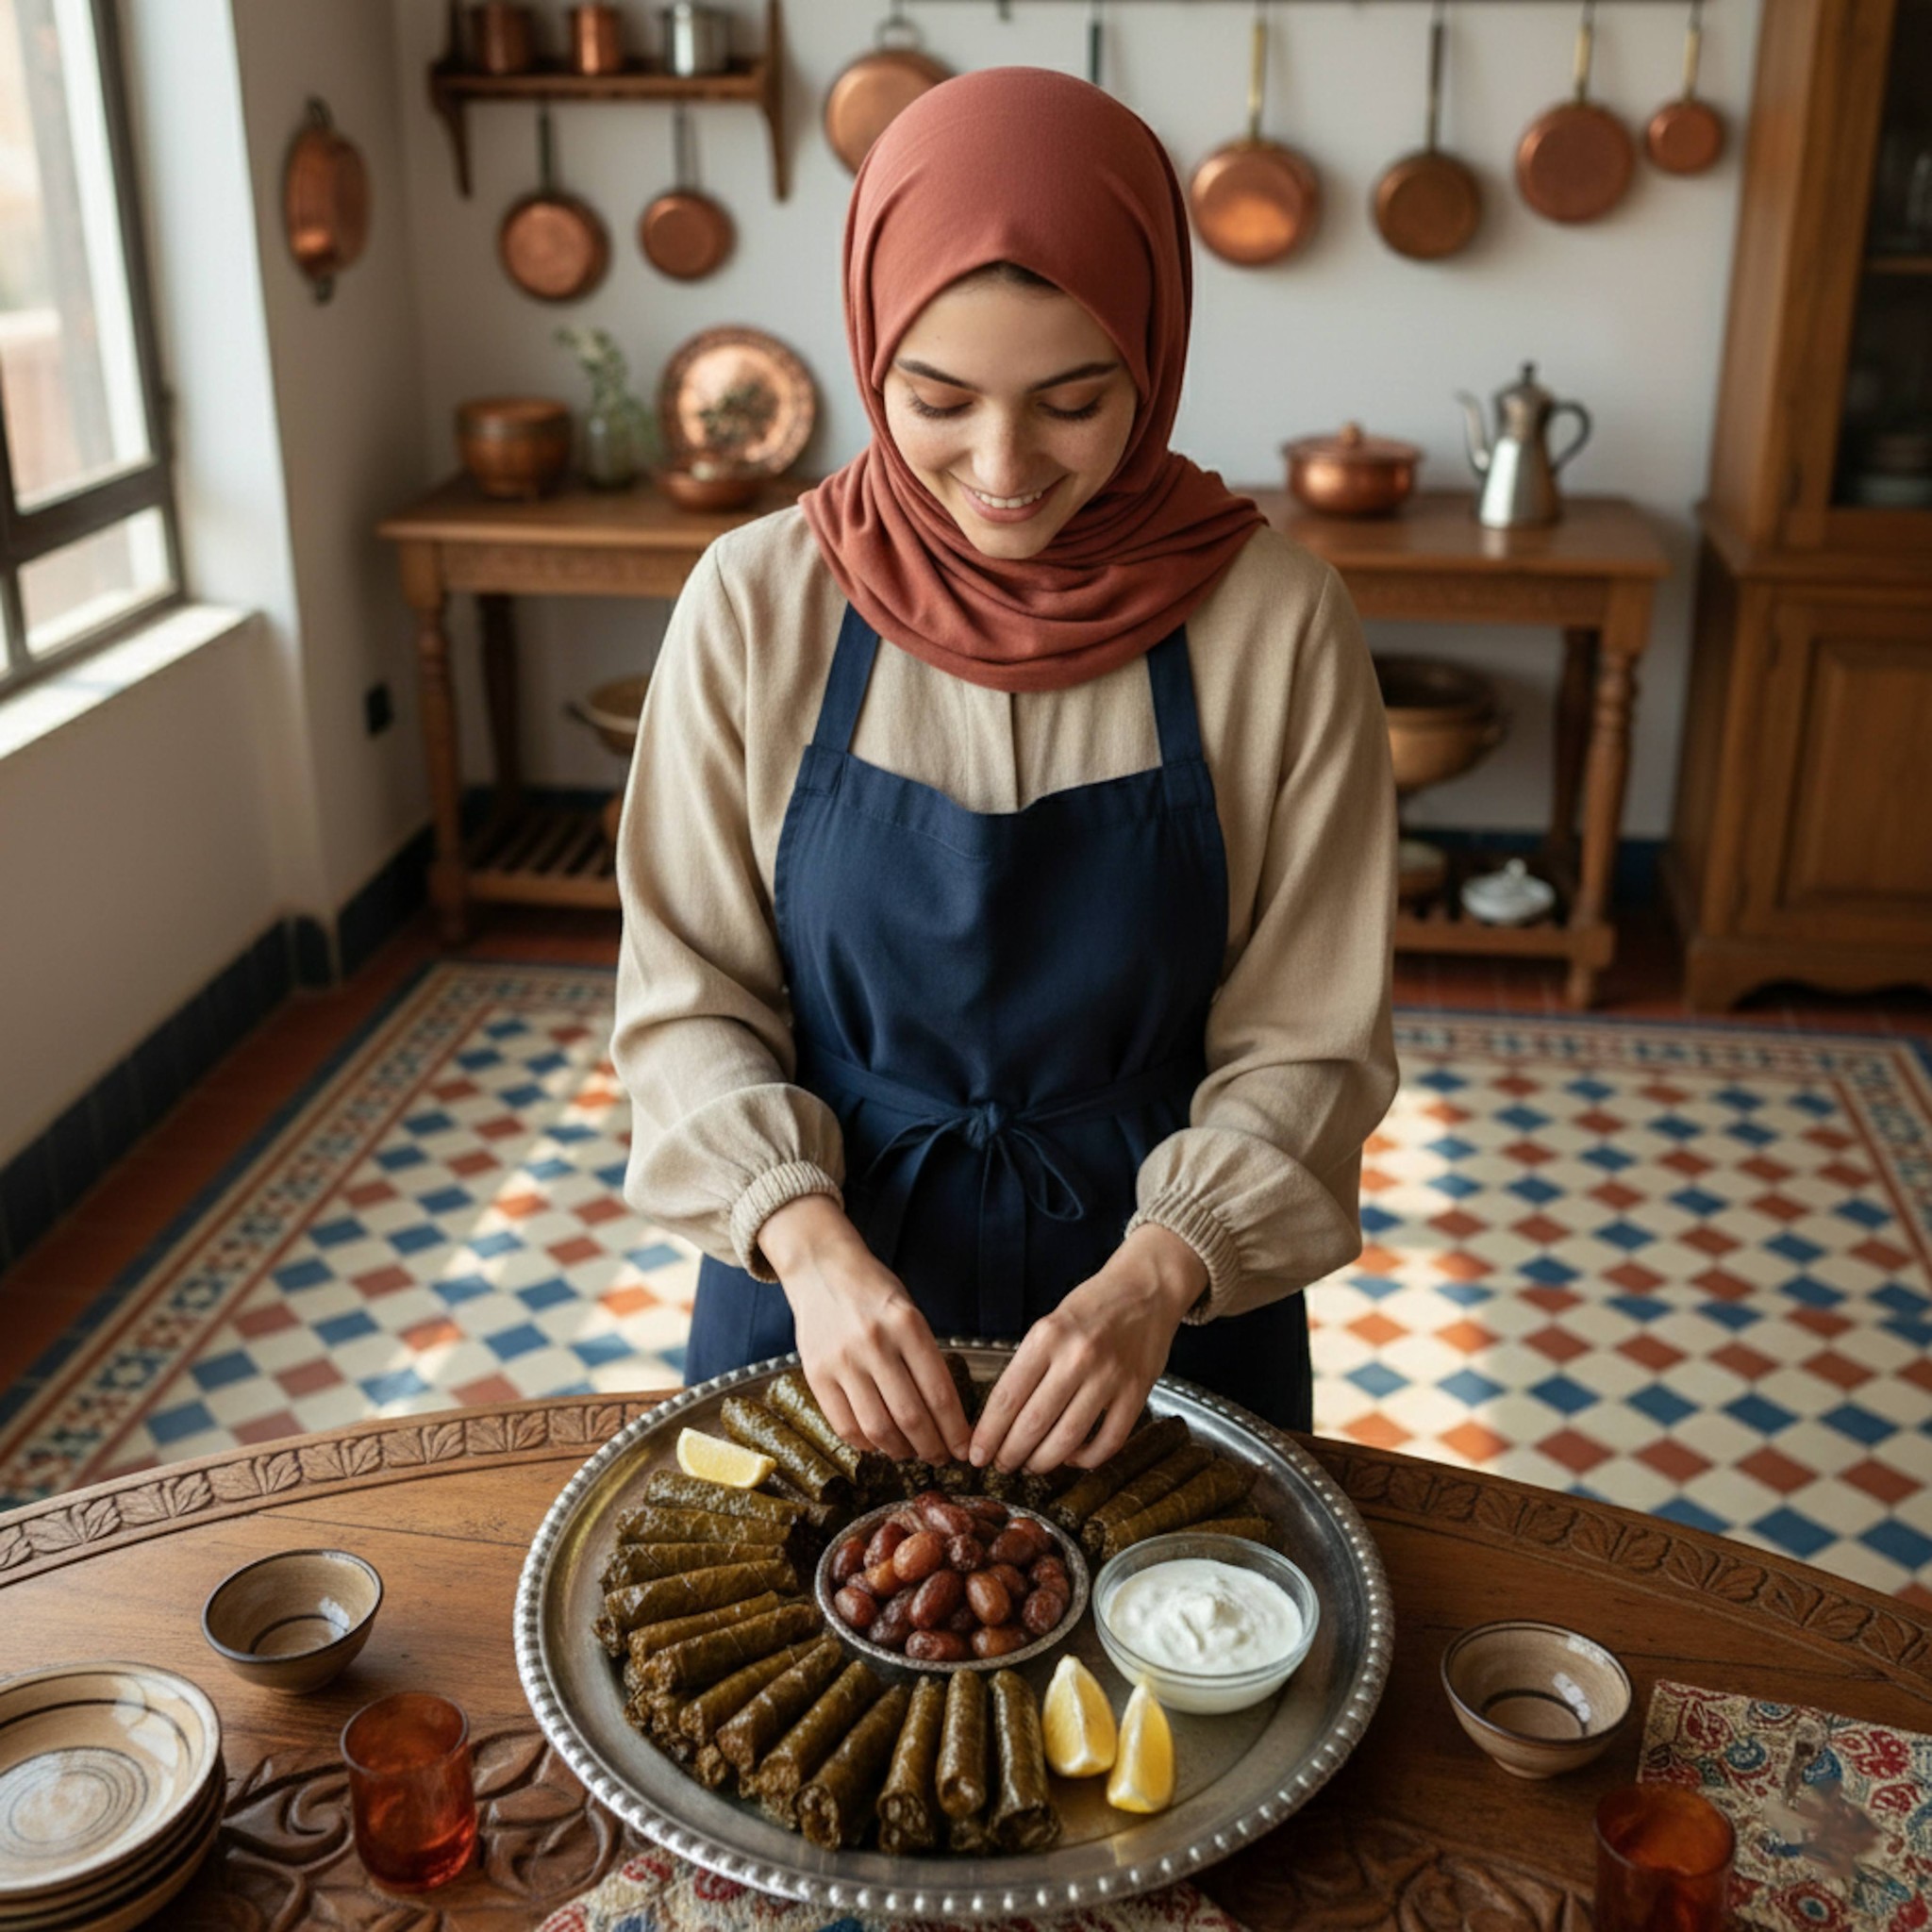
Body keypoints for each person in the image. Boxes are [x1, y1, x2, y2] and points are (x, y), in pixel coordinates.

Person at [611, 67, 1398, 1480]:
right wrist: (807, 1244)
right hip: (815, 1297)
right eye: (937, 397)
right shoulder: (755, 602)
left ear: (1152, 354)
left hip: (1167, 1308)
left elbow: (1311, 1039)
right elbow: (683, 998)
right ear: (868, 356)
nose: (1002, 465)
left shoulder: (1277, 622)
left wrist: (1162, 1274)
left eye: (1074, 401)